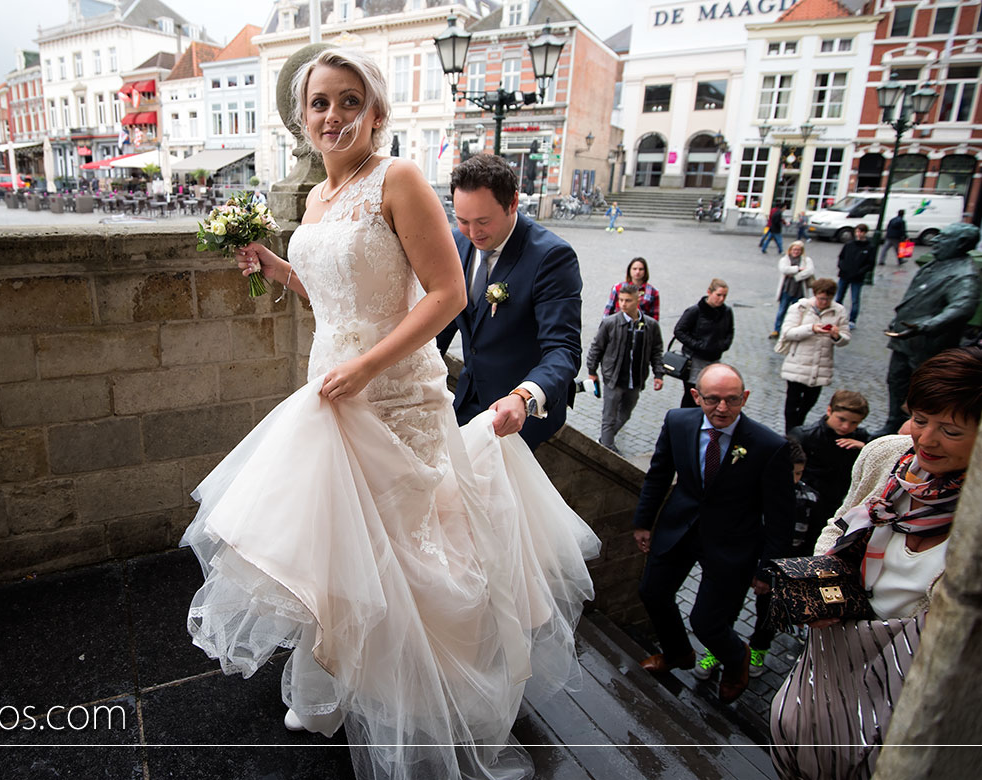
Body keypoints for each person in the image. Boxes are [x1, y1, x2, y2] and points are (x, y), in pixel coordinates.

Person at [180, 48, 599, 780]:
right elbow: (332, 292)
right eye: (319, 103)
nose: (333, 116)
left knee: (404, 551)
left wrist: (371, 365)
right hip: (332, 384)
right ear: (302, 115)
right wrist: (278, 269)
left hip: (393, 390)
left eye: (349, 101)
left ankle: (420, 699)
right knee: (335, 548)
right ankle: (336, 688)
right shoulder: (315, 199)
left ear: (376, 110)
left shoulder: (398, 178)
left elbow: (447, 296)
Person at [772, 346, 982, 780]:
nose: (925, 440)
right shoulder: (886, 455)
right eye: (921, 419)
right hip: (833, 652)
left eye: (950, 430)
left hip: (909, 683)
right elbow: (838, 524)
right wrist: (823, 593)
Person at [633, 363, 794, 705]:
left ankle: (737, 660)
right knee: (652, 592)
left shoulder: (768, 445)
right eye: (713, 400)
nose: (722, 408)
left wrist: (769, 568)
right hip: (679, 528)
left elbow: (781, 515)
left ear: (745, 397)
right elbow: (659, 475)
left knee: (707, 622)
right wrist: (644, 522)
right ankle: (678, 653)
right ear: (696, 396)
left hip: (732, 542)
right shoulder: (678, 422)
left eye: (732, 400)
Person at [436, 153, 582, 451]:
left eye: (483, 221)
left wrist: (523, 397)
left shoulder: (552, 257)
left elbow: (563, 349)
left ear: (513, 203)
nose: (473, 233)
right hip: (468, 399)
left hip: (521, 417)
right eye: (463, 220)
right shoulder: (456, 242)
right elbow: (441, 321)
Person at [694, 439, 818, 681]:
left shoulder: (809, 499)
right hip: (744, 559)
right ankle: (720, 648)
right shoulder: (753, 493)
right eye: (788, 473)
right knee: (727, 606)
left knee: (769, 611)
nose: (792, 480)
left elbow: (809, 539)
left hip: (781, 566)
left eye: (798, 474)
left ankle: (758, 650)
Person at [877, 222, 981, 435]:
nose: (935, 240)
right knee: (896, 380)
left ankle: (914, 425)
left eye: (943, 237)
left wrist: (926, 326)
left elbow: (962, 307)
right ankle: (893, 421)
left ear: (960, 243)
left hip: (928, 344)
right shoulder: (934, 264)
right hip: (906, 339)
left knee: (921, 386)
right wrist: (900, 318)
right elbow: (915, 297)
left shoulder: (964, 274)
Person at [585, 284, 664, 453]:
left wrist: (659, 374)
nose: (623, 304)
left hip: (635, 379)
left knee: (625, 414)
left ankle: (605, 440)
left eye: (628, 300)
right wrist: (592, 371)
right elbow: (596, 348)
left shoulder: (650, 325)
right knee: (609, 417)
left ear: (638, 300)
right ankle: (606, 449)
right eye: (620, 300)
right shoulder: (610, 323)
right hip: (613, 378)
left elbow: (656, 351)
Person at [787, 389, 870, 530]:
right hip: (804, 502)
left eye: (854, 423)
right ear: (829, 410)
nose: (846, 427)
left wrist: (865, 448)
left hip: (835, 501)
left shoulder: (860, 437)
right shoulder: (804, 435)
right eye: (841, 419)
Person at [775, 277, 850, 431]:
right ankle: (790, 433)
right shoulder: (800, 308)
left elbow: (845, 338)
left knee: (808, 402)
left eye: (828, 299)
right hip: (797, 363)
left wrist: (836, 335)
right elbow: (788, 332)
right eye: (821, 298)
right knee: (792, 403)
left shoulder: (838, 310)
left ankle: (798, 429)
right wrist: (812, 329)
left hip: (821, 365)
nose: (824, 302)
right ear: (815, 295)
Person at [673, 279, 734, 408]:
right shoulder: (695, 311)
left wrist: (723, 345)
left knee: (709, 393)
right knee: (692, 395)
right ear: (709, 292)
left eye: (724, 296)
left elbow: (730, 331)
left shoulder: (726, 312)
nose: (721, 299)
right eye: (718, 295)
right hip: (695, 360)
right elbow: (679, 331)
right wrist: (697, 345)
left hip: (714, 359)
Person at [769, 240, 814, 338]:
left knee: (797, 312)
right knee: (782, 311)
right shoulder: (784, 259)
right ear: (790, 250)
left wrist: (795, 276)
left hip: (800, 290)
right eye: (794, 249)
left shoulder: (807, 260)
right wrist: (797, 269)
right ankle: (777, 329)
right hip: (786, 289)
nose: (796, 251)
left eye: (798, 250)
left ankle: (793, 331)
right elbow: (784, 269)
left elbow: (809, 271)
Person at [835, 223, 874, 329]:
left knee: (855, 299)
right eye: (857, 231)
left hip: (857, 277)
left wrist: (860, 272)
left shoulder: (869, 247)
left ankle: (852, 320)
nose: (858, 234)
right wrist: (842, 267)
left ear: (865, 233)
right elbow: (841, 257)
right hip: (844, 275)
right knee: (839, 297)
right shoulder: (849, 245)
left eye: (861, 232)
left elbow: (870, 264)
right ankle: (836, 316)